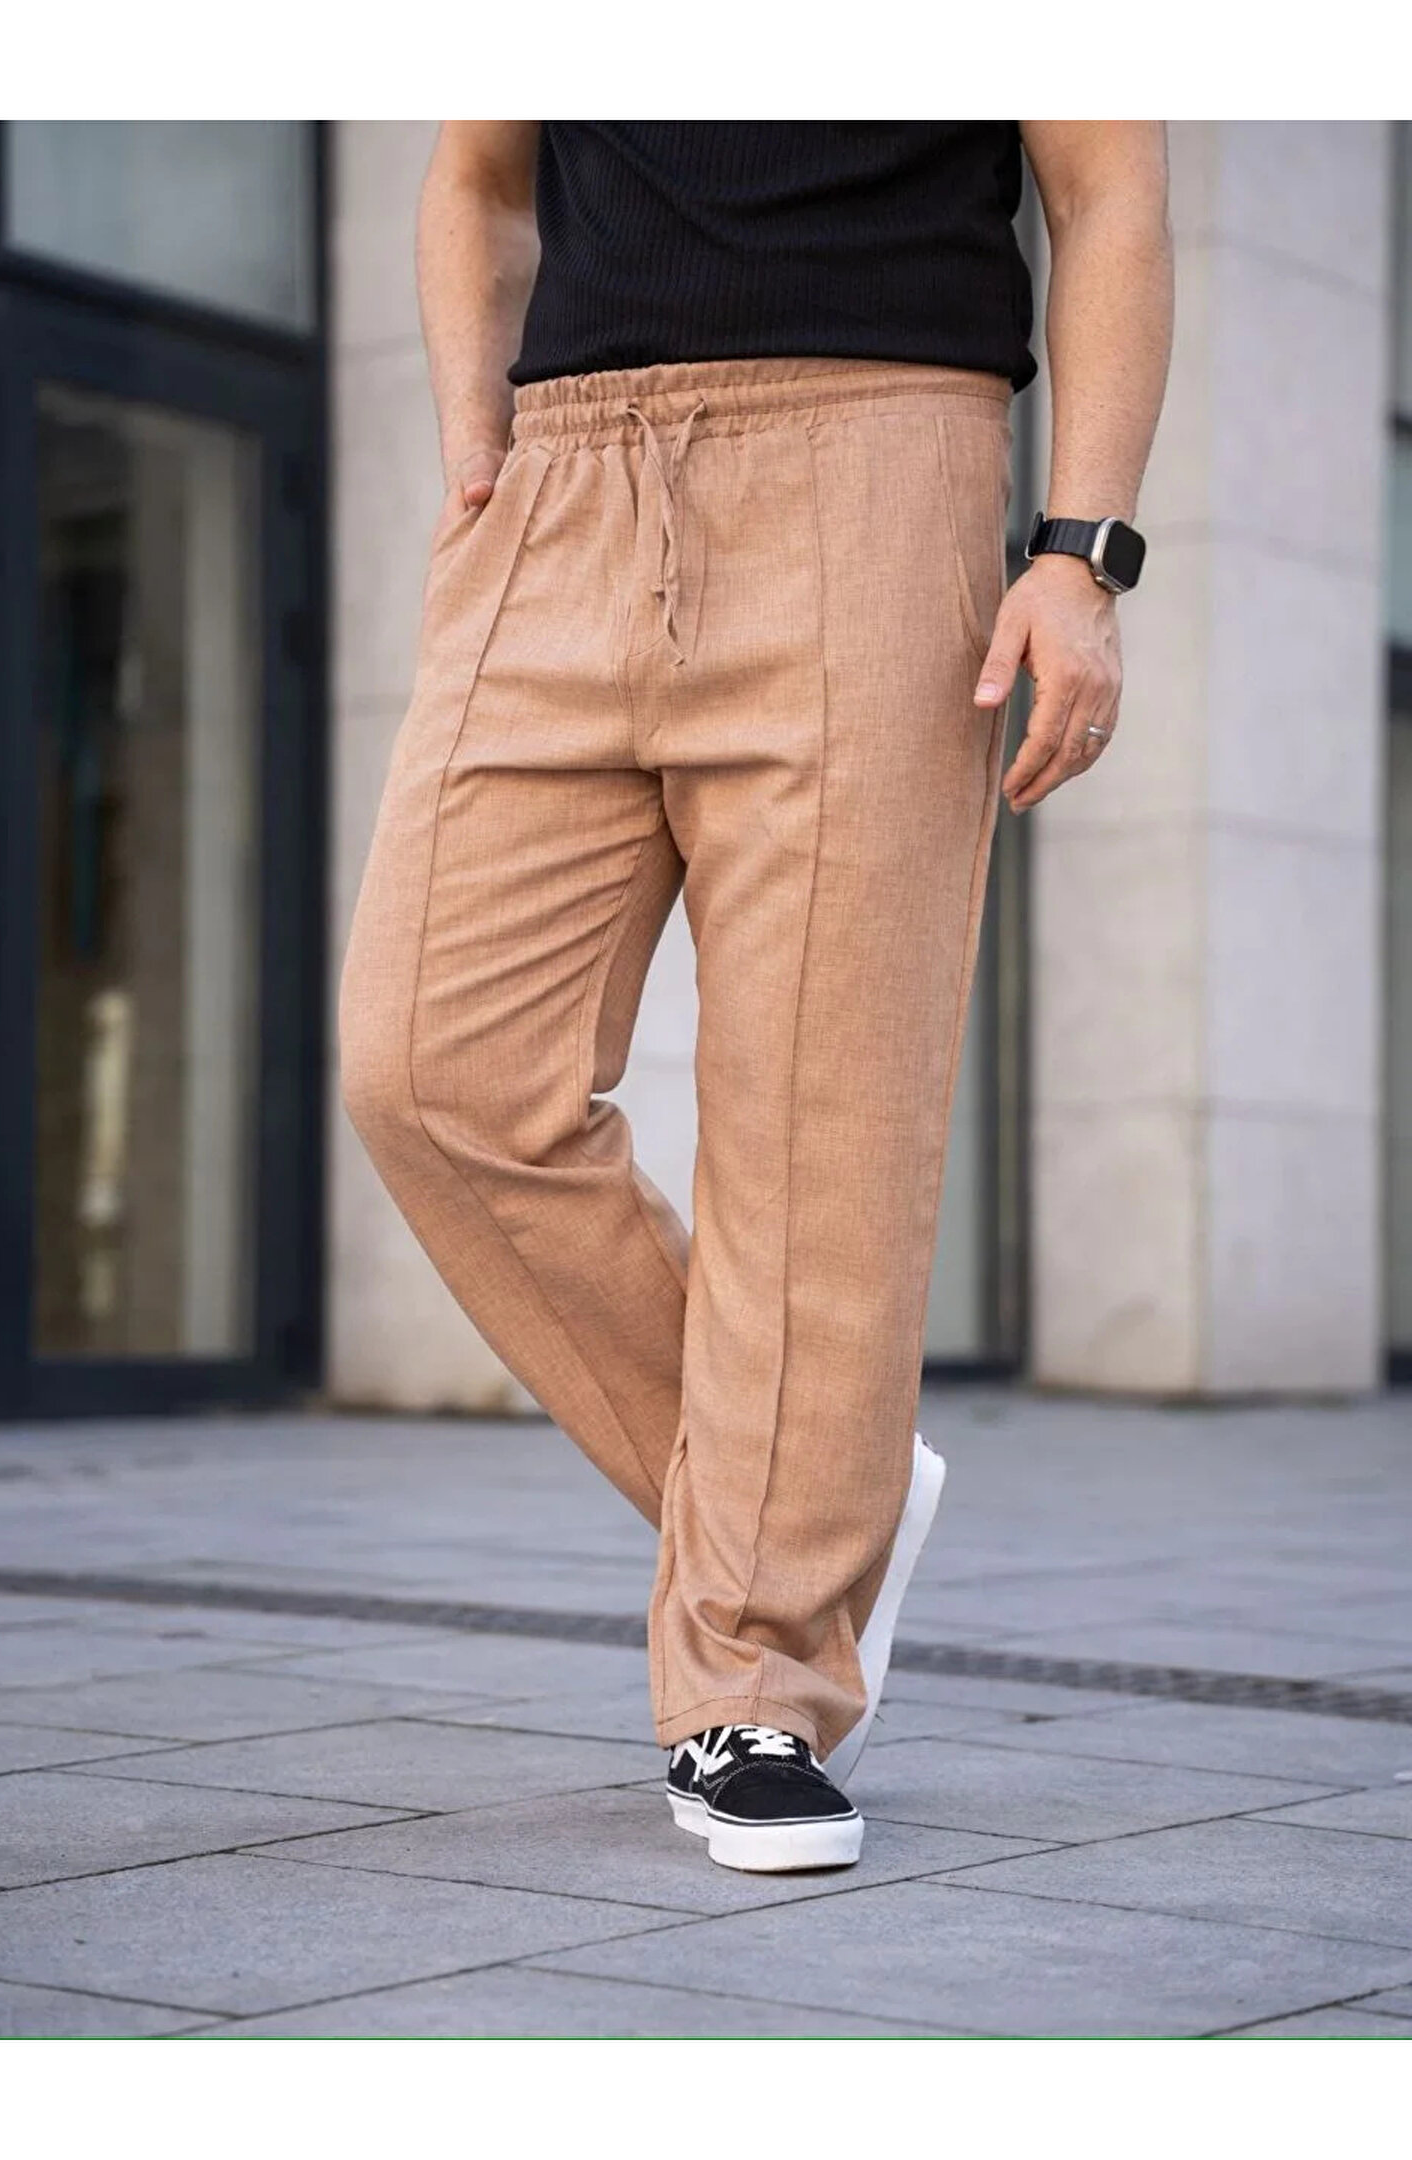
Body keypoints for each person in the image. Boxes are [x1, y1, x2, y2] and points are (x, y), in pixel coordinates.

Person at [341, 122, 1173, 1874]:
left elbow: (1106, 191)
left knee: (821, 1119)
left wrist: (1080, 552)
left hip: (879, 457)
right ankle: (816, 1485)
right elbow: (479, 173)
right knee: (429, 1067)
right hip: (561, 478)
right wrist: (478, 435)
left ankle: (761, 1676)